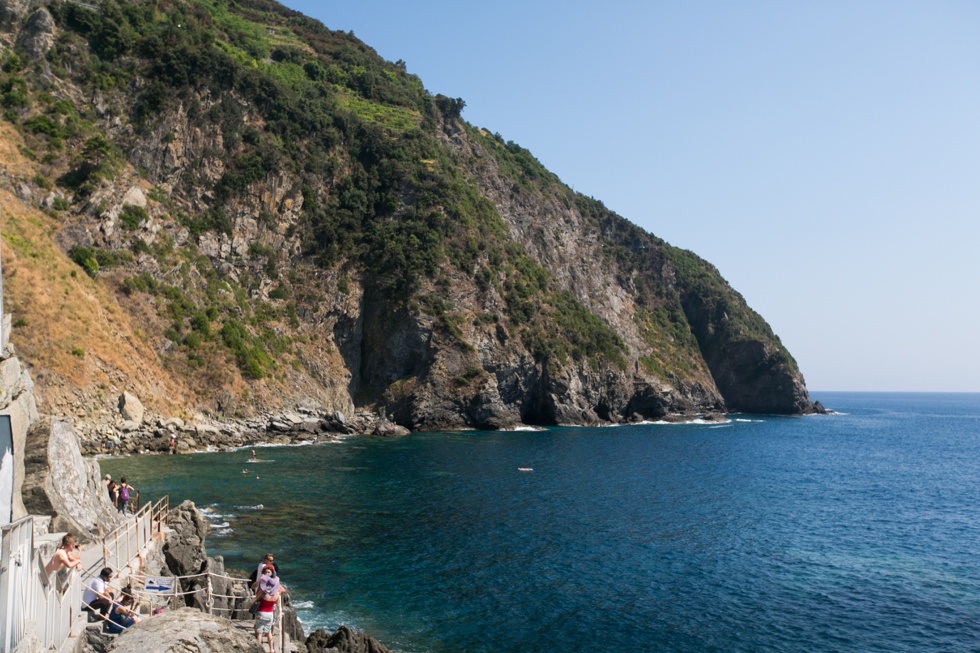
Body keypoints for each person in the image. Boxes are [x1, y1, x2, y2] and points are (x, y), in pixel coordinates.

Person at [252, 567, 281, 653]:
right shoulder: (276, 594)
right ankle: (271, 649)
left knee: (259, 632)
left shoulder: (263, 593)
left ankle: (259, 649)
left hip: (261, 613)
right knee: (268, 632)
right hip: (270, 614)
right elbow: (277, 602)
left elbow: (257, 598)